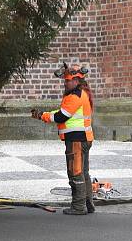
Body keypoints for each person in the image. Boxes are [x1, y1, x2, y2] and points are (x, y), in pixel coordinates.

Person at [31, 63, 95, 215]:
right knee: (83, 172)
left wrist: (42, 116)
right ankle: (88, 204)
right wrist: (45, 114)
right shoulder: (82, 93)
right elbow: (63, 112)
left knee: (75, 172)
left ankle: (79, 207)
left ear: (77, 80)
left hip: (76, 139)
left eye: (68, 81)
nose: (65, 83)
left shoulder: (75, 96)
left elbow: (61, 116)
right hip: (83, 138)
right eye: (65, 80)